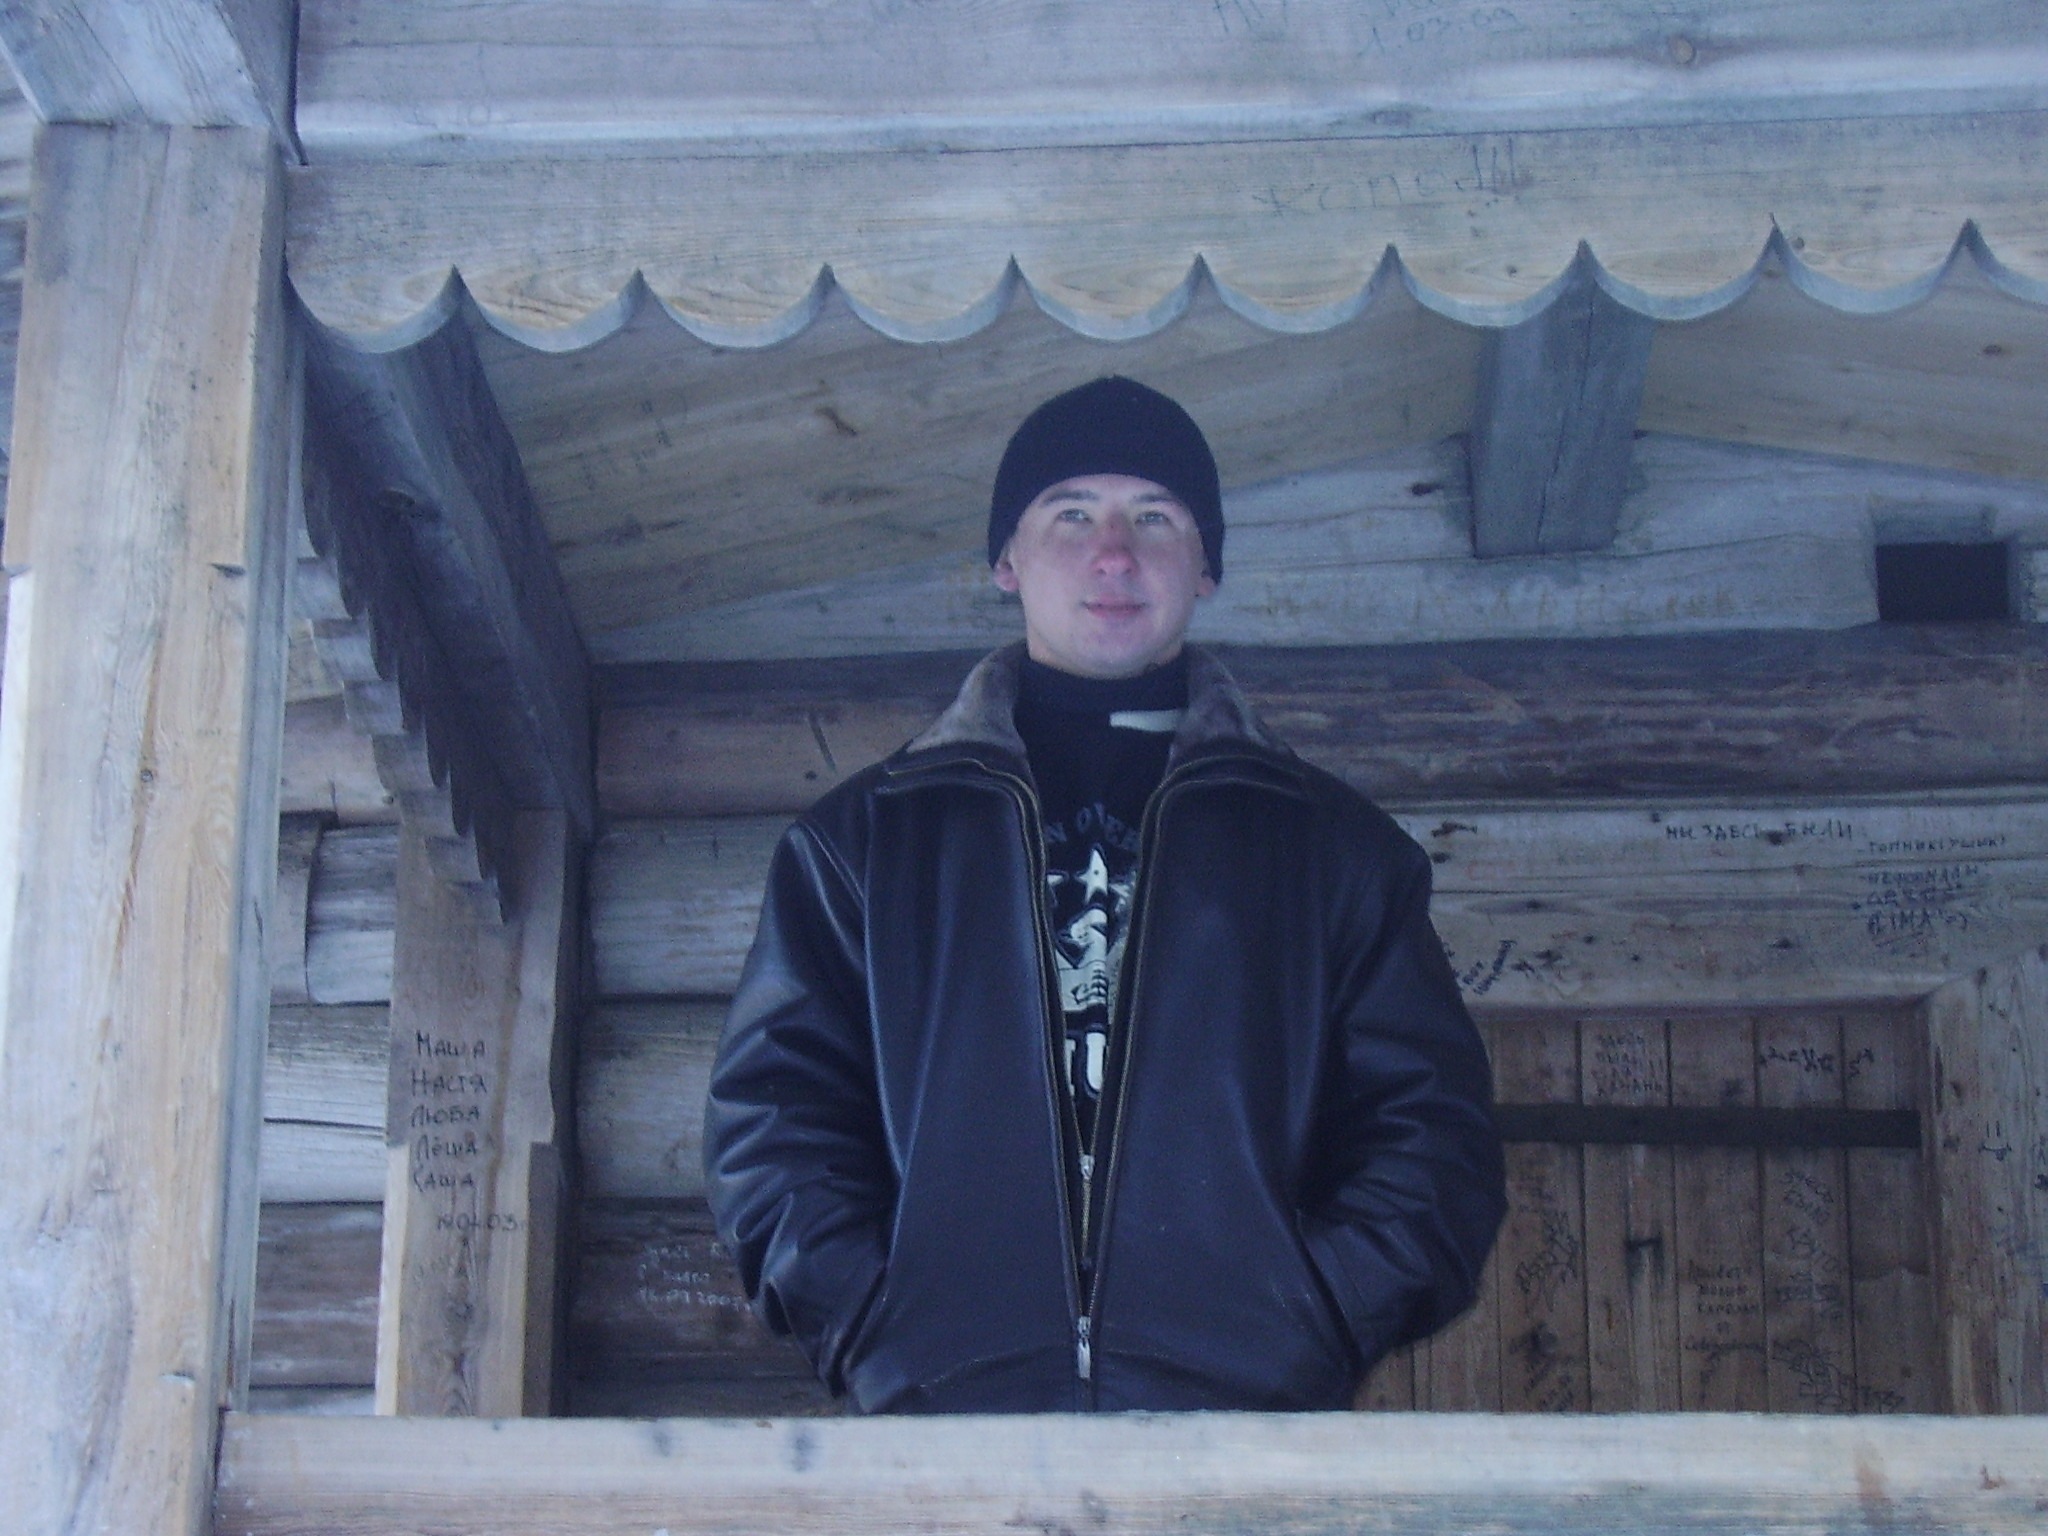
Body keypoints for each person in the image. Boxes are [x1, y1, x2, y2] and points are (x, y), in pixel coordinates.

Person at [703, 376, 1504, 1413]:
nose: (1114, 553)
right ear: (1007, 558)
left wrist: (1305, 1326)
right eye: (1071, 514)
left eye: (1155, 517)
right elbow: (772, 1127)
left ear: (1205, 564)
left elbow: (1432, 1139)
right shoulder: (861, 846)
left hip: (1241, 1436)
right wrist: (881, 1334)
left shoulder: (1336, 854)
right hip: (943, 1435)